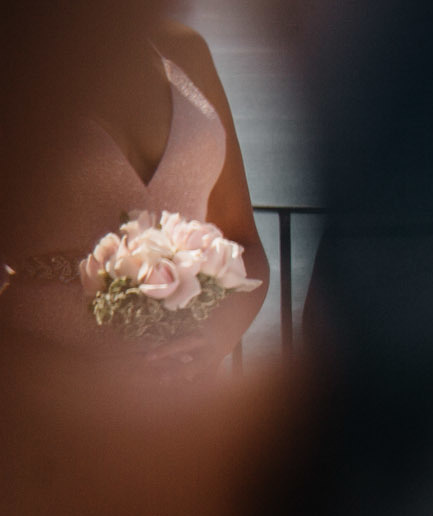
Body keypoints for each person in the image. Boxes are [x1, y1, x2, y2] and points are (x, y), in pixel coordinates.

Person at [0, 21, 268, 369]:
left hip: (180, 393)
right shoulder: (14, 59)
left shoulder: (185, 50)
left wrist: (216, 336)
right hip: (39, 393)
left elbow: (244, 242)